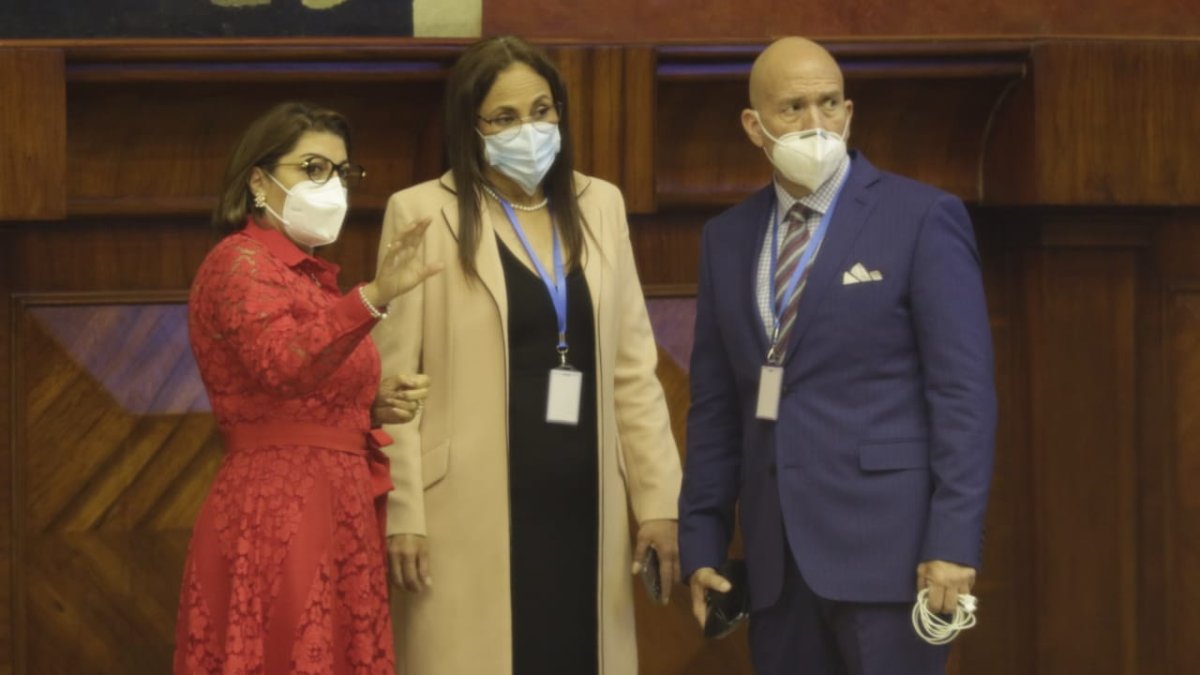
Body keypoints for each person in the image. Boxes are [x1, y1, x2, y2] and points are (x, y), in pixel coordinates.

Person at [679, 37, 997, 675]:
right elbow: (715, 408)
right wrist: (703, 544)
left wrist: (954, 541)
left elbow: (963, 393)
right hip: (777, 565)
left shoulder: (922, 217)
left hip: (893, 559)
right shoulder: (726, 238)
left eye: (829, 104)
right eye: (793, 108)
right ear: (755, 127)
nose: (816, 123)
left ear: (850, 113)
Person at [372, 35, 683, 675]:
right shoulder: (422, 211)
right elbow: (394, 383)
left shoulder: (600, 204)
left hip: (583, 500)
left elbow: (633, 371)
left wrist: (658, 502)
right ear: (471, 126)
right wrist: (403, 512)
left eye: (542, 112)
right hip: (463, 510)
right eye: (505, 118)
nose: (529, 130)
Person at [174, 101, 441, 674]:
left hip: (339, 504)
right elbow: (281, 364)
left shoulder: (312, 280)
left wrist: (369, 404)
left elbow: (306, 386)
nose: (332, 185)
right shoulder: (238, 262)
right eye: (313, 168)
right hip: (280, 509)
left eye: (342, 172)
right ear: (258, 180)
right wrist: (376, 295)